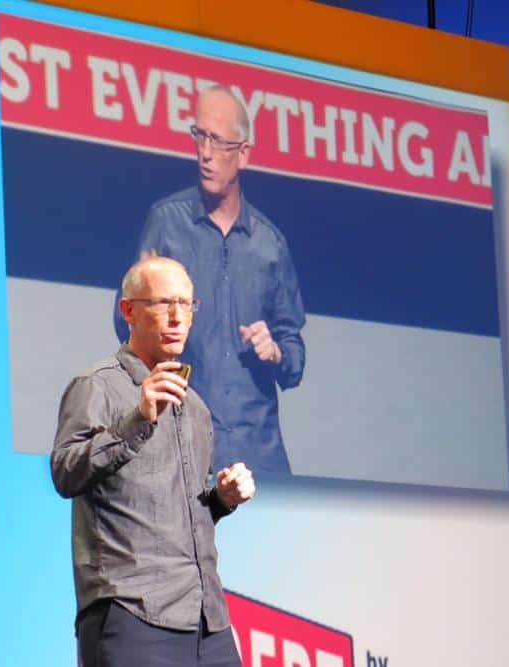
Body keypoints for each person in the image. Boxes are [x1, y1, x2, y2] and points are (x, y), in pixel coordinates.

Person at [52, 256, 255, 667]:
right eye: (164, 303)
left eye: (187, 304)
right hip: (132, 612)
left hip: (206, 619)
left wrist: (221, 498)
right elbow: (66, 472)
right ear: (128, 310)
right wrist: (137, 420)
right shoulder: (97, 386)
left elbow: (182, 514)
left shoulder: (194, 406)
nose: (178, 316)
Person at [119, 84, 307, 475]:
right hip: (183, 445)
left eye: (219, 142)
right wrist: (145, 304)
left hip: (258, 452)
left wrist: (275, 351)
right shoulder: (166, 224)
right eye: (199, 136)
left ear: (243, 154)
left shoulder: (270, 245)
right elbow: (123, 322)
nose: (205, 153)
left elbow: (295, 358)